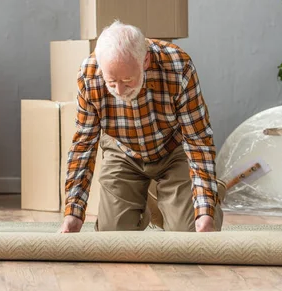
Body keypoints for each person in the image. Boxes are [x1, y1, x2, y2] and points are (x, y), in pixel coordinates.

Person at [59, 21, 226, 234]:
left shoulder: (178, 65)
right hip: (122, 150)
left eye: (128, 80)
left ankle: (206, 193)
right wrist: (73, 213)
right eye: (111, 82)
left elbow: (198, 140)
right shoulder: (88, 75)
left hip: (173, 149)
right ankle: (145, 201)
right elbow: (83, 145)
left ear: (145, 60)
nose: (119, 90)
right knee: (112, 239)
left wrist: (204, 211)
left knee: (190, 235)